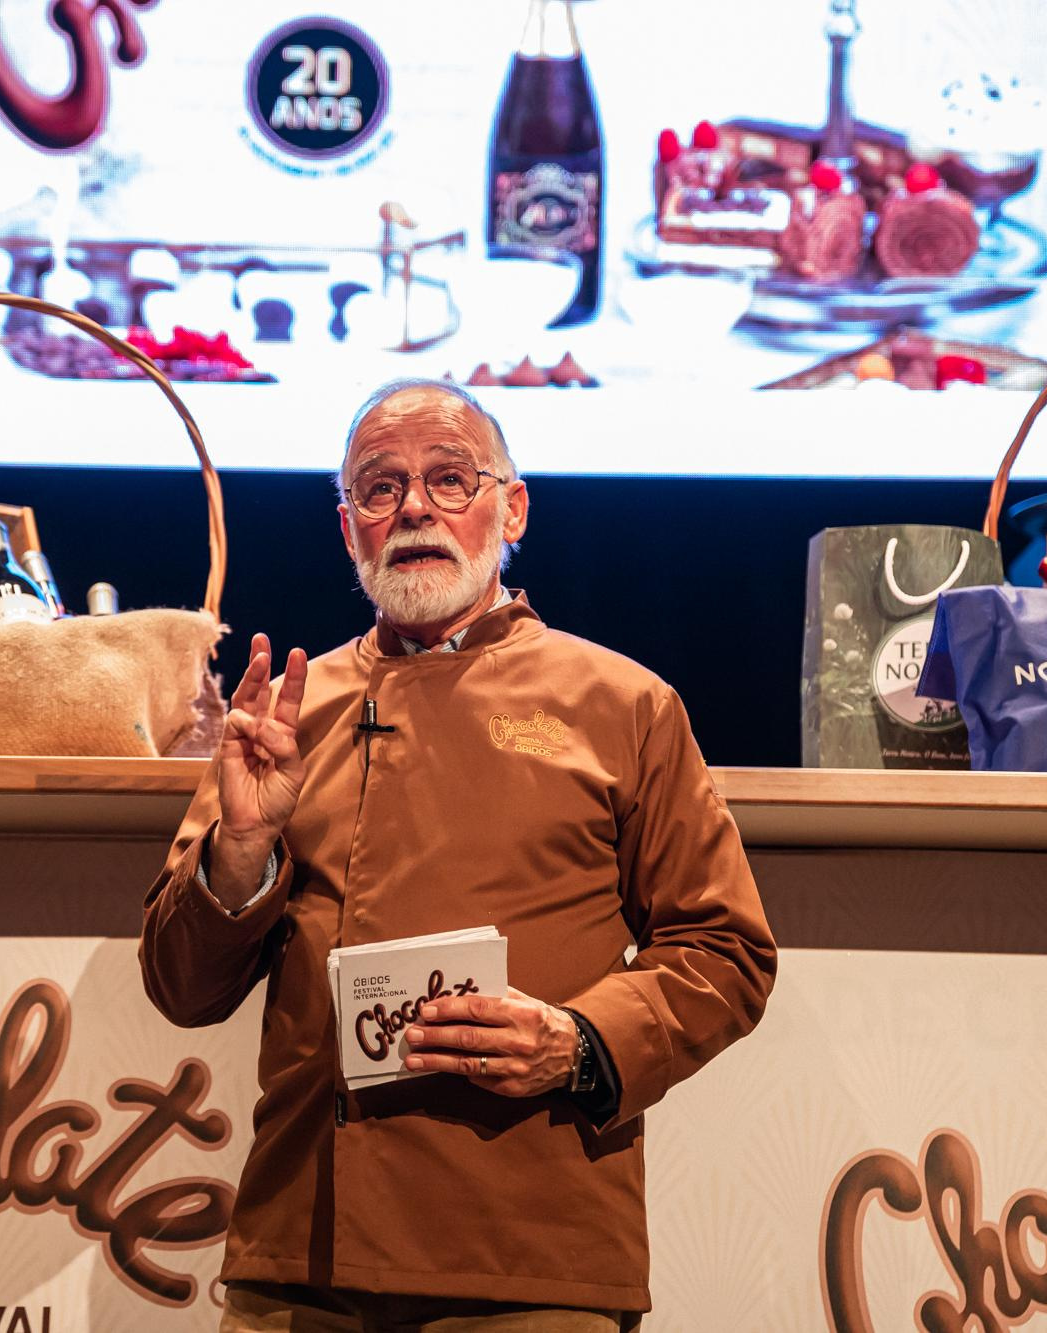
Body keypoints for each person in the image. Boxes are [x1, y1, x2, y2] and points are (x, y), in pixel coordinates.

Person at [139, 379, 776, 1331]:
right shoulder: (284, 715)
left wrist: (580, 1040)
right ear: (347, 521)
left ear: (511, 507)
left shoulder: (623, 703)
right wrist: (241, 846)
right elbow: (182, 988)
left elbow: (726, 951)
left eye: (450, 480)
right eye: (381, 487)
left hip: (531, 1258)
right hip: (299, 1259)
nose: (415, 511)